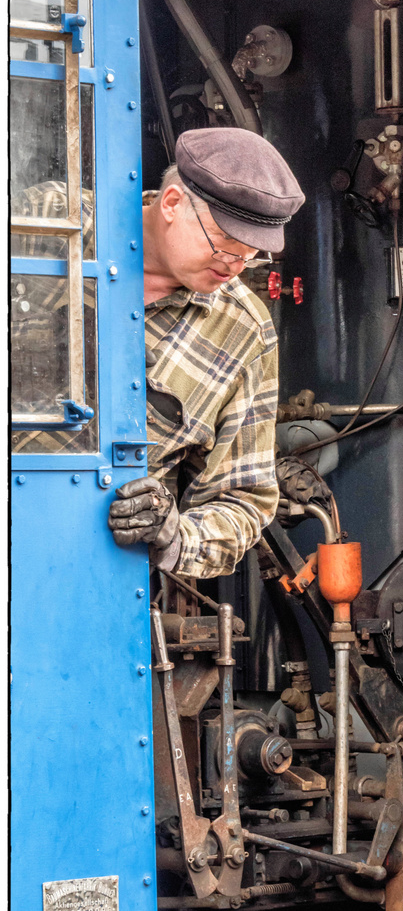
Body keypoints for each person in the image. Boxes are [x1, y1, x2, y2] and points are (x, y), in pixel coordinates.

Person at [105, 128, 305, 576]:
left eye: (249, 256)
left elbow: (245, 499)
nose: (232, 267)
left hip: (98, 577)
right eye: (222, 245)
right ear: (173, 203)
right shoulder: (54, 222)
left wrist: (173, 535)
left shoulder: (244, 333)